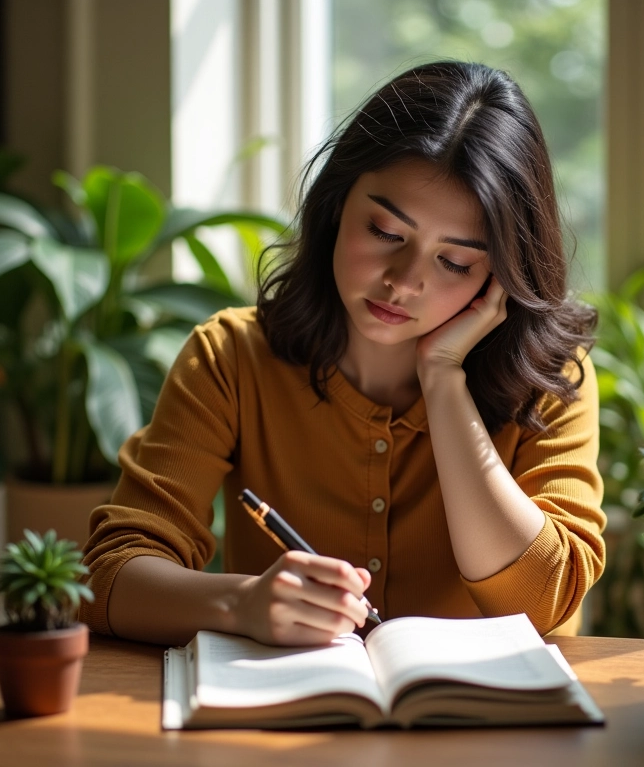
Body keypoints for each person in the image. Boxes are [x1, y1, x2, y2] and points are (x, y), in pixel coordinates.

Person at [81, 61, 605, 647]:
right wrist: (241, 602)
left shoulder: (550, 381)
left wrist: (443, 379)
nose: (404, 282)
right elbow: (109, 575)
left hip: (489, 729)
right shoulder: (231, 358)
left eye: (455, 263)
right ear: (335, 207)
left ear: (501, 275)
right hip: (285, 719)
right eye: (385, 232)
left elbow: (542, 604)